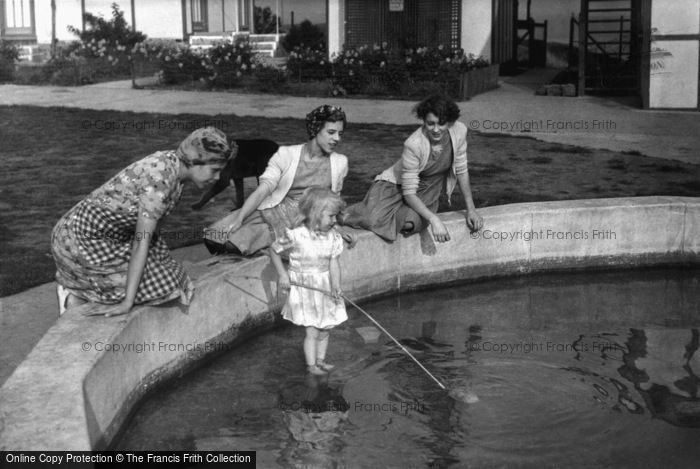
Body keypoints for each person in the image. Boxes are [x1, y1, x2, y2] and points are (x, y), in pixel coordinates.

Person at [51, 127, 230, 317]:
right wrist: (127, 303)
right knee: (160, 286)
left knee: (172, 278)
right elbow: (141, 242)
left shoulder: (175, 170)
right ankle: (73, 295)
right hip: (81, 239)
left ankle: (91, 288)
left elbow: (151, 235)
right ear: (195, 162)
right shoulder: (159, 182)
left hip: (113, 237)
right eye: (215, 170)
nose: (217, 177)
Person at [203, 105, 350, 255]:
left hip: (304, 218)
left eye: (340, 133)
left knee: (234, 245)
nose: (337, 139)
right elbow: (263, 190)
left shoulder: (340, 162)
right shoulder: (286, 154)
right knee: (213, 237)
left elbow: (334, 198)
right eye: (331, 132)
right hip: (274, 209)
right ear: (315, 130)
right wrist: (240, 218)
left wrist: (336, 227)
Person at [341, 94, 483, 242]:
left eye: (441, 124)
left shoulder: (459, 131)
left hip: (426, 190)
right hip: (394, 188)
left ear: (450, 122)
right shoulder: (414, 144)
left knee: (410, 223)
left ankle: (382, 213)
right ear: (423, 121)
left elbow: (461, 171)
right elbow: (408, 192)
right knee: (373, 221)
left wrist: (471, 210)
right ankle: (354, 213)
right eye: (430, 123)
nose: (435, 129)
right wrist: (434, 220)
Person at [269, 187, 348, 376]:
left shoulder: (333, 237)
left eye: (336, 216)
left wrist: (336, 285)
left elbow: (333, 263)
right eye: (331, 216)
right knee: (312, 330)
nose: (335, 221)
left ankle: (321, 360)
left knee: (326, 328)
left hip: (324, 287)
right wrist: (283, 275)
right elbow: (273, 250)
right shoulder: (296, 235)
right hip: (305, 288)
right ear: (315, 214)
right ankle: (311, 366)